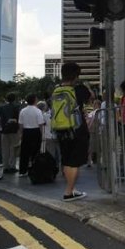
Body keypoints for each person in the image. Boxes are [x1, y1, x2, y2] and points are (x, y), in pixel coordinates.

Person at [56, 62, 93, 201]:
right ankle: (68, 192)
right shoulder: (79, 89)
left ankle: (72, 189)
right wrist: (86, 86)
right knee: (74, 162)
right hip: (77, 130)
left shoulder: (57, 90)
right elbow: (91, 98)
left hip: (61, 130)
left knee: (66, 160)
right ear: (77, 75)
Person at [17, 94, 44, 177]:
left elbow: (20, 124)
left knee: (24, 152)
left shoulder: (23, 110)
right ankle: (34, 169)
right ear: (35, 100)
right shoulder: (37, 111)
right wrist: (42, 134)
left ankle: (22, 171)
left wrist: (21, 134)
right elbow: (40, 124)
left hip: (26, 132)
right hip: (35, 131)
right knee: (35, 151)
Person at [0, 93, 21, 174]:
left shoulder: (1, 107)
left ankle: (5, 167)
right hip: (14, 130)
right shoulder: (16, 107)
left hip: (4, 130)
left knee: (5, 149)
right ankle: (12, 166)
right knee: (13, 149)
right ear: (14, 99)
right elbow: (19, 119)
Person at [37, 100, 60, 172]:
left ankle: (51, 168)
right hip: (56, 136)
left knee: (51, 154)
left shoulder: (43, 115)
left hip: (47, 137)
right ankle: (58, 168)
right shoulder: (52, 115)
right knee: (59, 153)